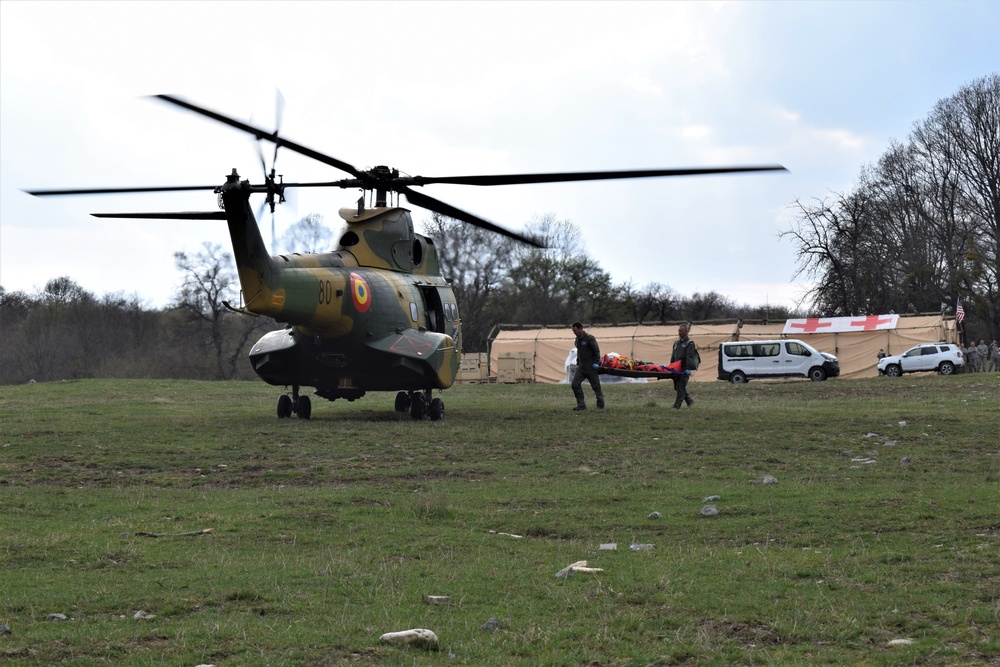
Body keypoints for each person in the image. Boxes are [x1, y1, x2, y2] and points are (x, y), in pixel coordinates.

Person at [570, 321, 604, 411]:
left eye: (575, 330)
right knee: (575, 384)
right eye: (573, 331)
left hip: (591, 366)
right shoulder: (577, 340)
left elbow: (596, 351)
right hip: (582, 367)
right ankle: (581, 405)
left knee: (596, 386)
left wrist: (596, 362)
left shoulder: (589, 338)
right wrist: (578, 363)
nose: (574, 333)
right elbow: (579, 352)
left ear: (581, 329)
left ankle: (600, 404)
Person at [669, 323, 700, 409]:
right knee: (676, 387)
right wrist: (670, 366)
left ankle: (676, 406)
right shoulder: (676, 343)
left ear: (686, 331)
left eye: (681, 331)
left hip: (684, 368)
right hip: (676, 368)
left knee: (681, 387)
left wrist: (688, 368)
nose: (679, 332)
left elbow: (689, 356)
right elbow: (673, 355)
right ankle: (690, 401)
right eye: (679, 331)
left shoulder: (689, 343)